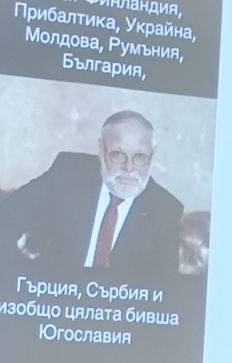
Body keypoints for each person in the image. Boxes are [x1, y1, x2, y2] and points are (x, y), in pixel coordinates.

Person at [0, 110, 185, 284]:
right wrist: (18, 280)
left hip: (118, 304)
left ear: (153, 156)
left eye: (140, 156)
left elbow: (162, 289)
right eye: (118, 154)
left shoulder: (166, 210)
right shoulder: (68, 171)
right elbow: (7, 217)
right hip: (52, 294)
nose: (129, 168)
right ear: (101, 149)